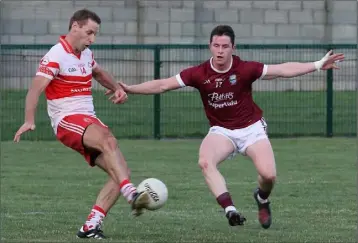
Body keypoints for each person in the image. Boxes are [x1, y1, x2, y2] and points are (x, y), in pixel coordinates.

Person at [107, 25, 344, 229]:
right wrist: (129, 88)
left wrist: (317, 64)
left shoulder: (244, 69)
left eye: (225, 46)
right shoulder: (199, 73)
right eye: (216, 46)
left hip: (251, 128)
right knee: (205, 161)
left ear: (233, 48)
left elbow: (281, 70)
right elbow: (162, 85)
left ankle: (261, 199)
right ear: (210, 46)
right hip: (222, 131)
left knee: (268, 175)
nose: (220, 51)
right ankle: (229, 209)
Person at [13, 9, 150, 239]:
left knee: (120, 170)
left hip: (88, 119)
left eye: (95, 34)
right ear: (74, 27)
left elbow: (98, 73)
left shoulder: (86, 54)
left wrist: (116, 87)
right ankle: (131, 194)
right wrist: (29, 120)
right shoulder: (56, 55)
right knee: (109, 140)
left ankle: (91, 226)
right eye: (89, 33)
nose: (92, 39)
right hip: (67, 121)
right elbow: (35, 89)